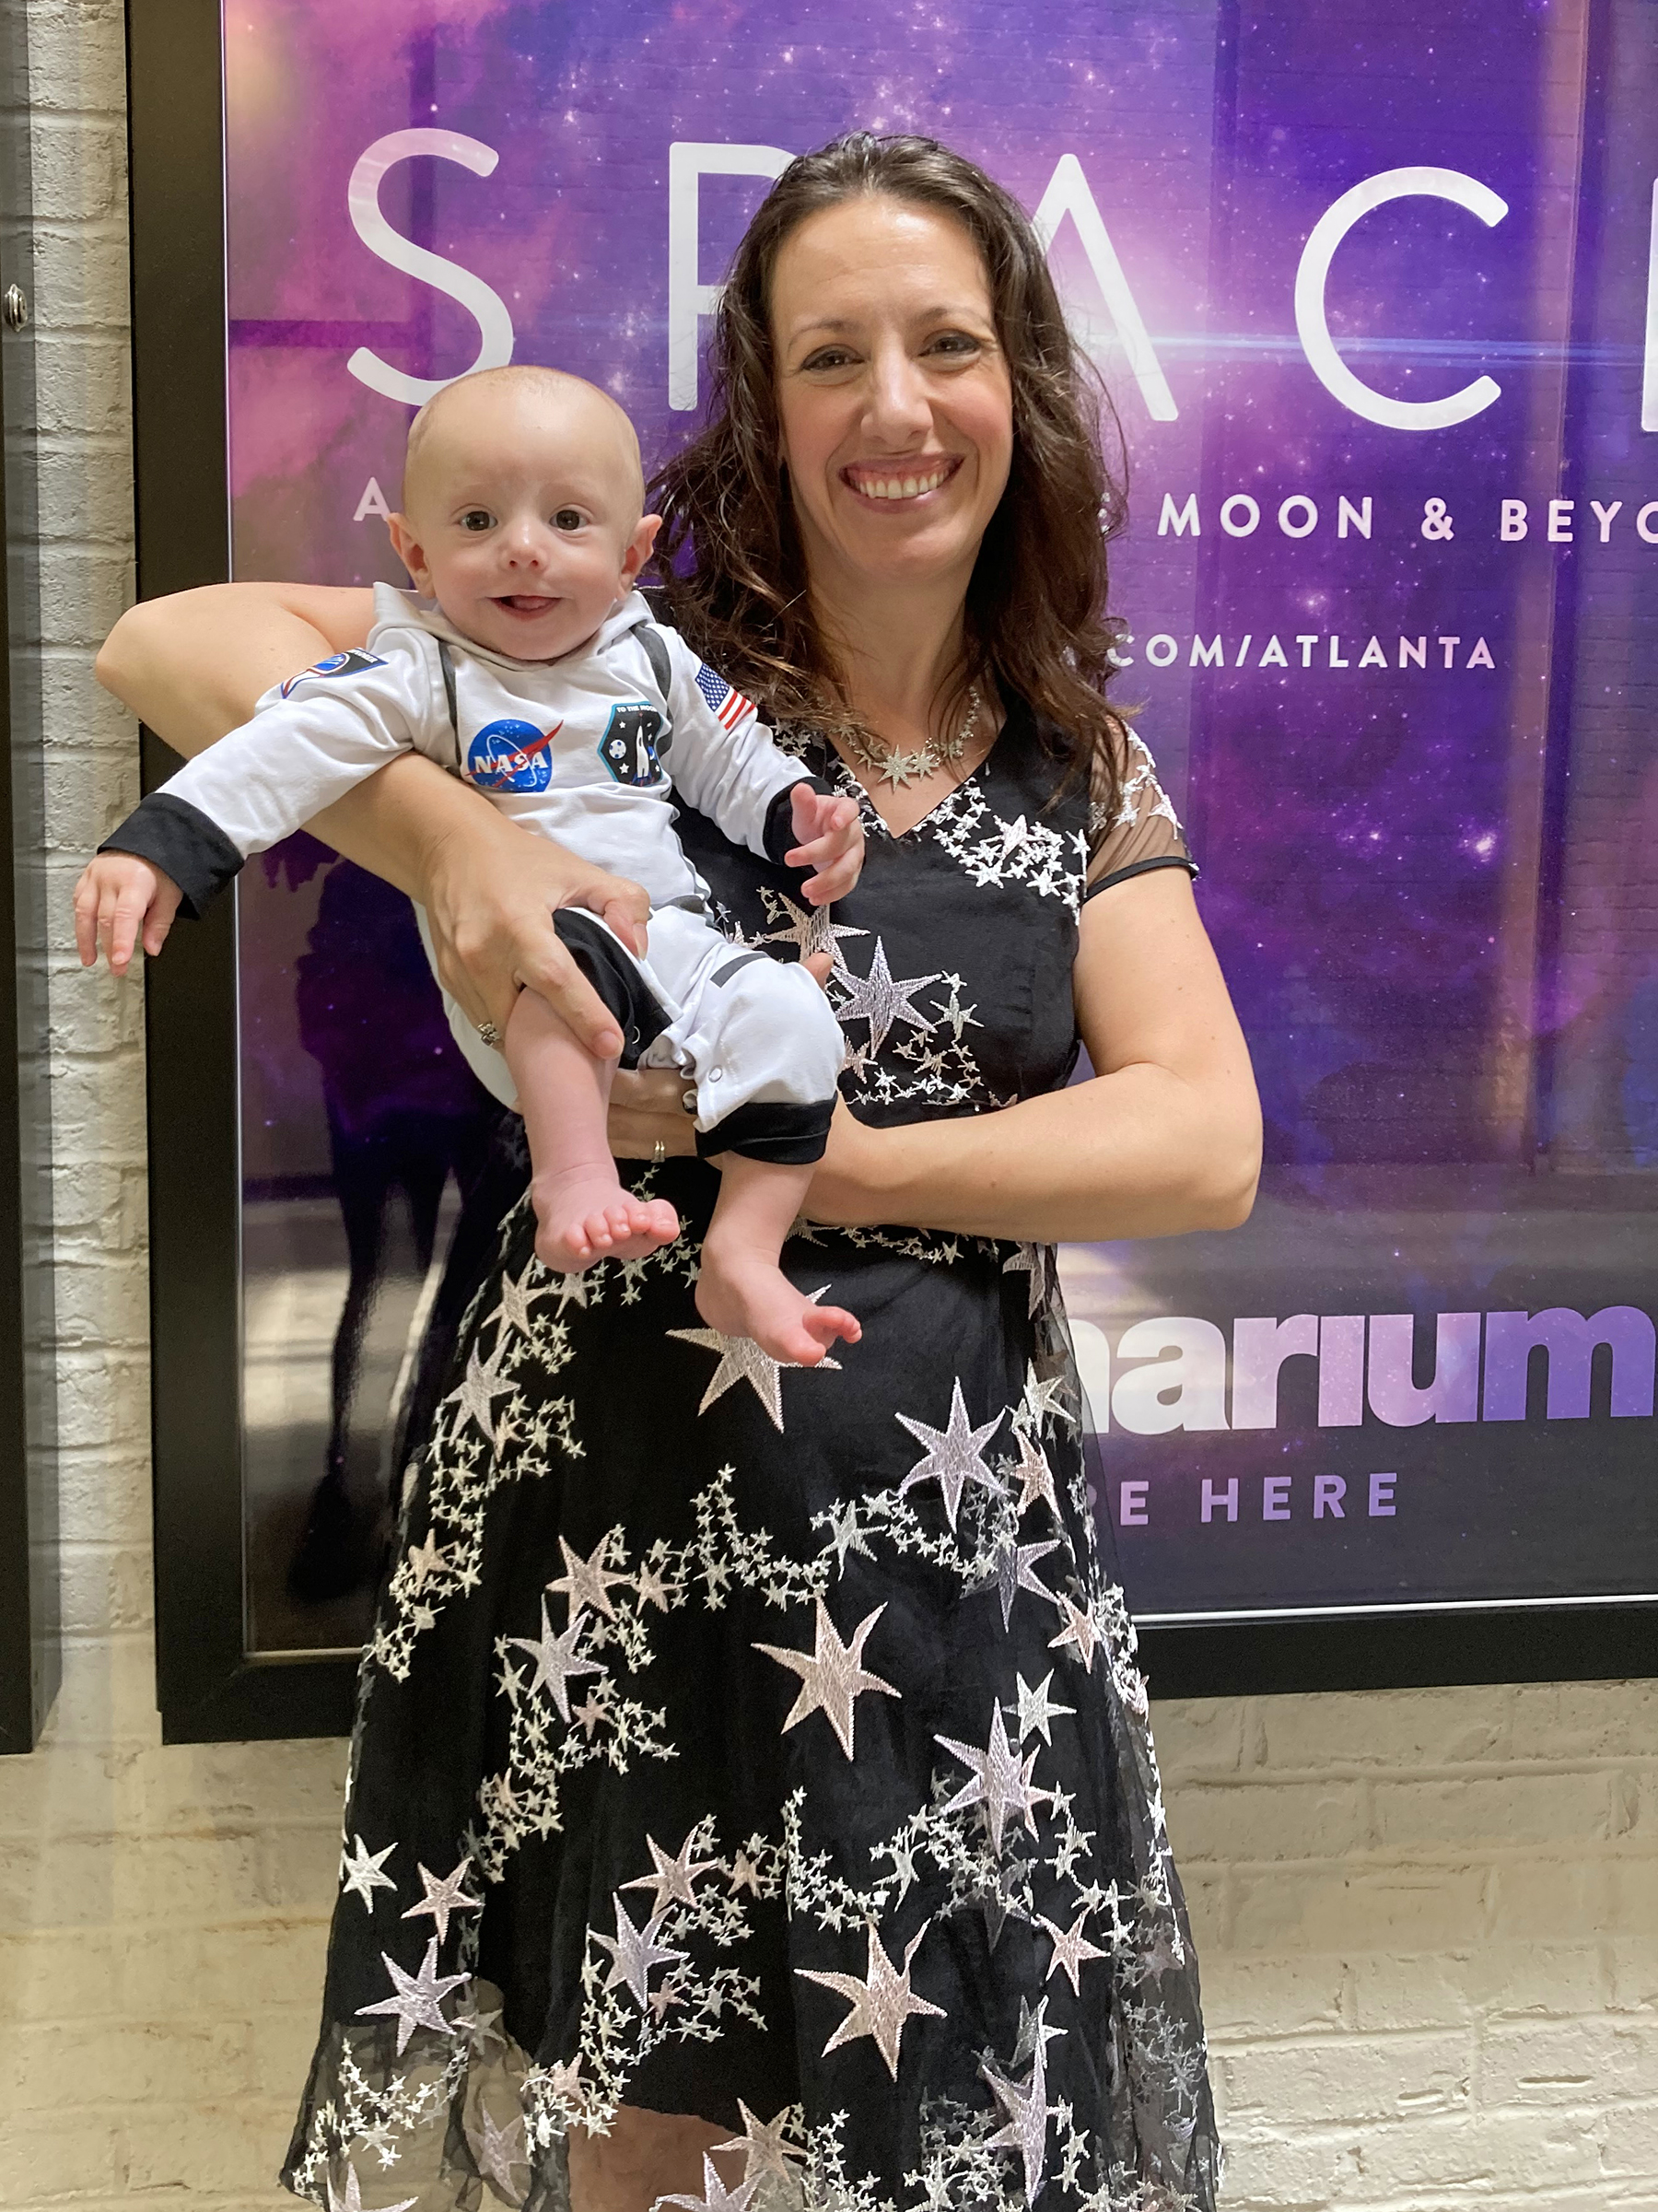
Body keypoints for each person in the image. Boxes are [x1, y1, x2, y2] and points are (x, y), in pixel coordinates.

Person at [99, 132, 1257, 2212]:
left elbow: (1199, 1136)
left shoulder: (1077, 762)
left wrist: (837, 1163)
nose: (897, 409)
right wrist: (465, 840)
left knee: (952, 2131)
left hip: (942, 1596)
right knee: (632, 2140)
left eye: (946, 347)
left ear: (1023, 387)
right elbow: (171, 646)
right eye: (833, 357)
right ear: (761, 399)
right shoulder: (608, 646)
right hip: (609, 1548)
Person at [76, 367, 866, 1365]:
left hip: (670, 941)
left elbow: (732, 759)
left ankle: (744, 1252)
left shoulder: (654, 657)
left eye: (568, 519)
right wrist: (161, 846)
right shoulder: (423, 667)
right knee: (559, 943)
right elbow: (280, 751)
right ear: (414, 551)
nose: (525, 547)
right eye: (479, 519)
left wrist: (801, 820)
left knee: (796, 1014)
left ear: (632, 556)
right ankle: (572, 1177)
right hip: (524, 968)